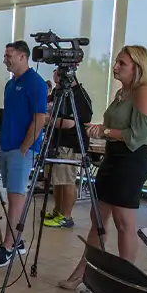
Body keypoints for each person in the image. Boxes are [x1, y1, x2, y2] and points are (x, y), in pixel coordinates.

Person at [59, 45, 147, 290]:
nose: (115, 67)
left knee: (124, 222)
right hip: (112, 158)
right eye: (116, 62)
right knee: (98, 219)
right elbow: (115, 126)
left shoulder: (144, 91)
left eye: (121, 63)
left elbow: (138, 135)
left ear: (138, 66)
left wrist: (104, 131)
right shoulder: (122, 93)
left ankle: (125, 281)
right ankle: (82, 272)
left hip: (131, 161)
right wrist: (101, 128)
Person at [0, 40, 48, 268]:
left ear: (22, 56)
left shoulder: (36, 83)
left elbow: (39, 119)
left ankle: (9, 246)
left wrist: (25, 147)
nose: (5, 60)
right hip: (6, 147)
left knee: (16, 197)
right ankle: (16, 240)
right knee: (11, 196)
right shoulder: (11, 85)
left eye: (8, 55)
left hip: (20, 150)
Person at [43, 68, 93, 229]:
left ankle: (66, 216)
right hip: (55, 142)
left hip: (70, 145)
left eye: (58, 80)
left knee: (67, 180)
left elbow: (70, 123)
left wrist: (47, 120)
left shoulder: (77, 95)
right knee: (57, 180)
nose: (56, 83)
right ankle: (57, 211)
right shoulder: (60, 93)